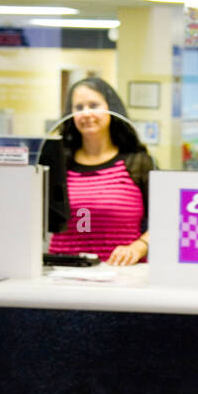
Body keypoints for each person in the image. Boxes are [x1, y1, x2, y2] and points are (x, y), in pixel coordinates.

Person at [41, 77, 154, 265]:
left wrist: (138, 247)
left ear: (111, 109)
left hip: (122, 273)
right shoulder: (59, 162)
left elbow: (165, 218)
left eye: (93, 105)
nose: (86, 113)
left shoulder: (138, 162)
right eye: (78, 108)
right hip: (64, 272)